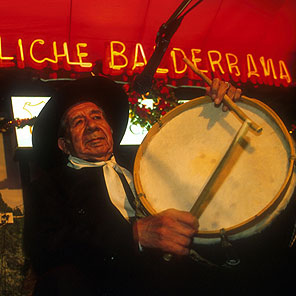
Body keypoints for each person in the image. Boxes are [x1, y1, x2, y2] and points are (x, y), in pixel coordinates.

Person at [23, 76, 241, 295]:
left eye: (97, 116)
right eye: (78, 122)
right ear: (65, 145)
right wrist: (133, 234)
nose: (91, 126)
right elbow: (44, 249)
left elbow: (193, 158)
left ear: (110, 128)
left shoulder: (146, 161)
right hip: (105, 282)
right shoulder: (48, 187)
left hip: (174, 275)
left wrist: (216, 111)